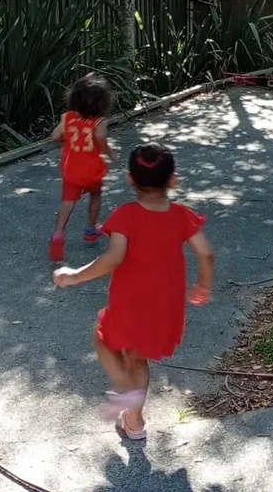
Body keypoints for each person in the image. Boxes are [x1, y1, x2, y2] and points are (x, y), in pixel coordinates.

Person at [53, 143, 214, 441]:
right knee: (138, 358)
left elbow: (114, 258)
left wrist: (75, 276)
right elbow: (205, 252)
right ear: (172, 180)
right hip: (165, 306)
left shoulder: (126, 215)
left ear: (130, 179)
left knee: (101, 336)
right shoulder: (182, 215)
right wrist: (202, 285)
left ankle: (125, 391)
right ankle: (135, 423)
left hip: (131, 302)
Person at [48, 74, 112, 261]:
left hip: (71, 169)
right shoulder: (99, 122)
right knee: (95, 195)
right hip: (91, 169)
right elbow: (100, 138)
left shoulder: (67, 118)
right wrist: (108, 151)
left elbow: (55, 136)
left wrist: (65, 137)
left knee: (68, 202)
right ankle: (91, 228)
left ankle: (58, 233)